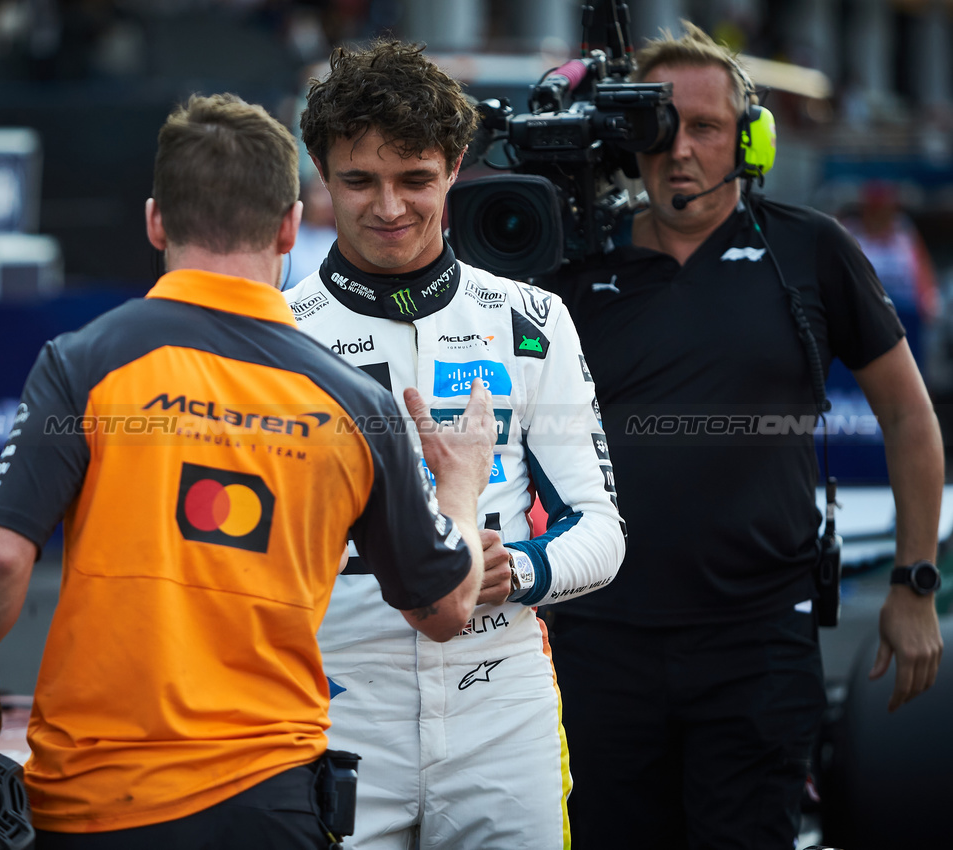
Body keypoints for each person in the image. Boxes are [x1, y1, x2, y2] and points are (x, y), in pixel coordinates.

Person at [0, 92, 498, 849]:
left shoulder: (85, 361)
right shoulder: (356, 404)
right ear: (290, 226)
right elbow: (445, 608)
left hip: (94, 801)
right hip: (270, 802)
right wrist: (459, 487)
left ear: (156, 221)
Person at [536, 22, 945, 850]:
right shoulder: (569, 268)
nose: (680, 150)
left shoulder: (809, 249)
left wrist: (912, 585)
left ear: (748, 139)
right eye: (659, 126)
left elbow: (908, 417)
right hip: (597, 644)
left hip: (757, 645)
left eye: (705, 127)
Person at [286, 41, 627, 850]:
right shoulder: (277, 332)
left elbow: (602, 529)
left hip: (500, 708)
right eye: (358, 181)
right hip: (331, 707)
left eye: (414, 179)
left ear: (454, 169)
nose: (388, 207)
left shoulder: (530, 319)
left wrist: (523, 571)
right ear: (321, 175)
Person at [839, 180, 939, 373]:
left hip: (903, 320)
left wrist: (929, 303)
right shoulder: (848, 233)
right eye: (875, 208)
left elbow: (924, 276)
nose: (880, 214)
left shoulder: (905, 233)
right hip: (861, 319)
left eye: (885, 208)